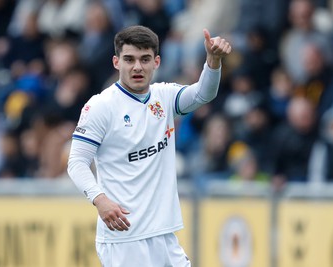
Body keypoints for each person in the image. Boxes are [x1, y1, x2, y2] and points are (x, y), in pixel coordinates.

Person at [67, 25, 231, 267]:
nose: (137, 67)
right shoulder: (101, 106)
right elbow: (76, 162)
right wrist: (99, 199)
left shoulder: (163, 96)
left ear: (156, 62)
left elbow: (202, 95)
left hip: (163, 234)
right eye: (129, 59)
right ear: (116, 62)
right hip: (125, 239)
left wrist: (213, 60)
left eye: (145, 59)